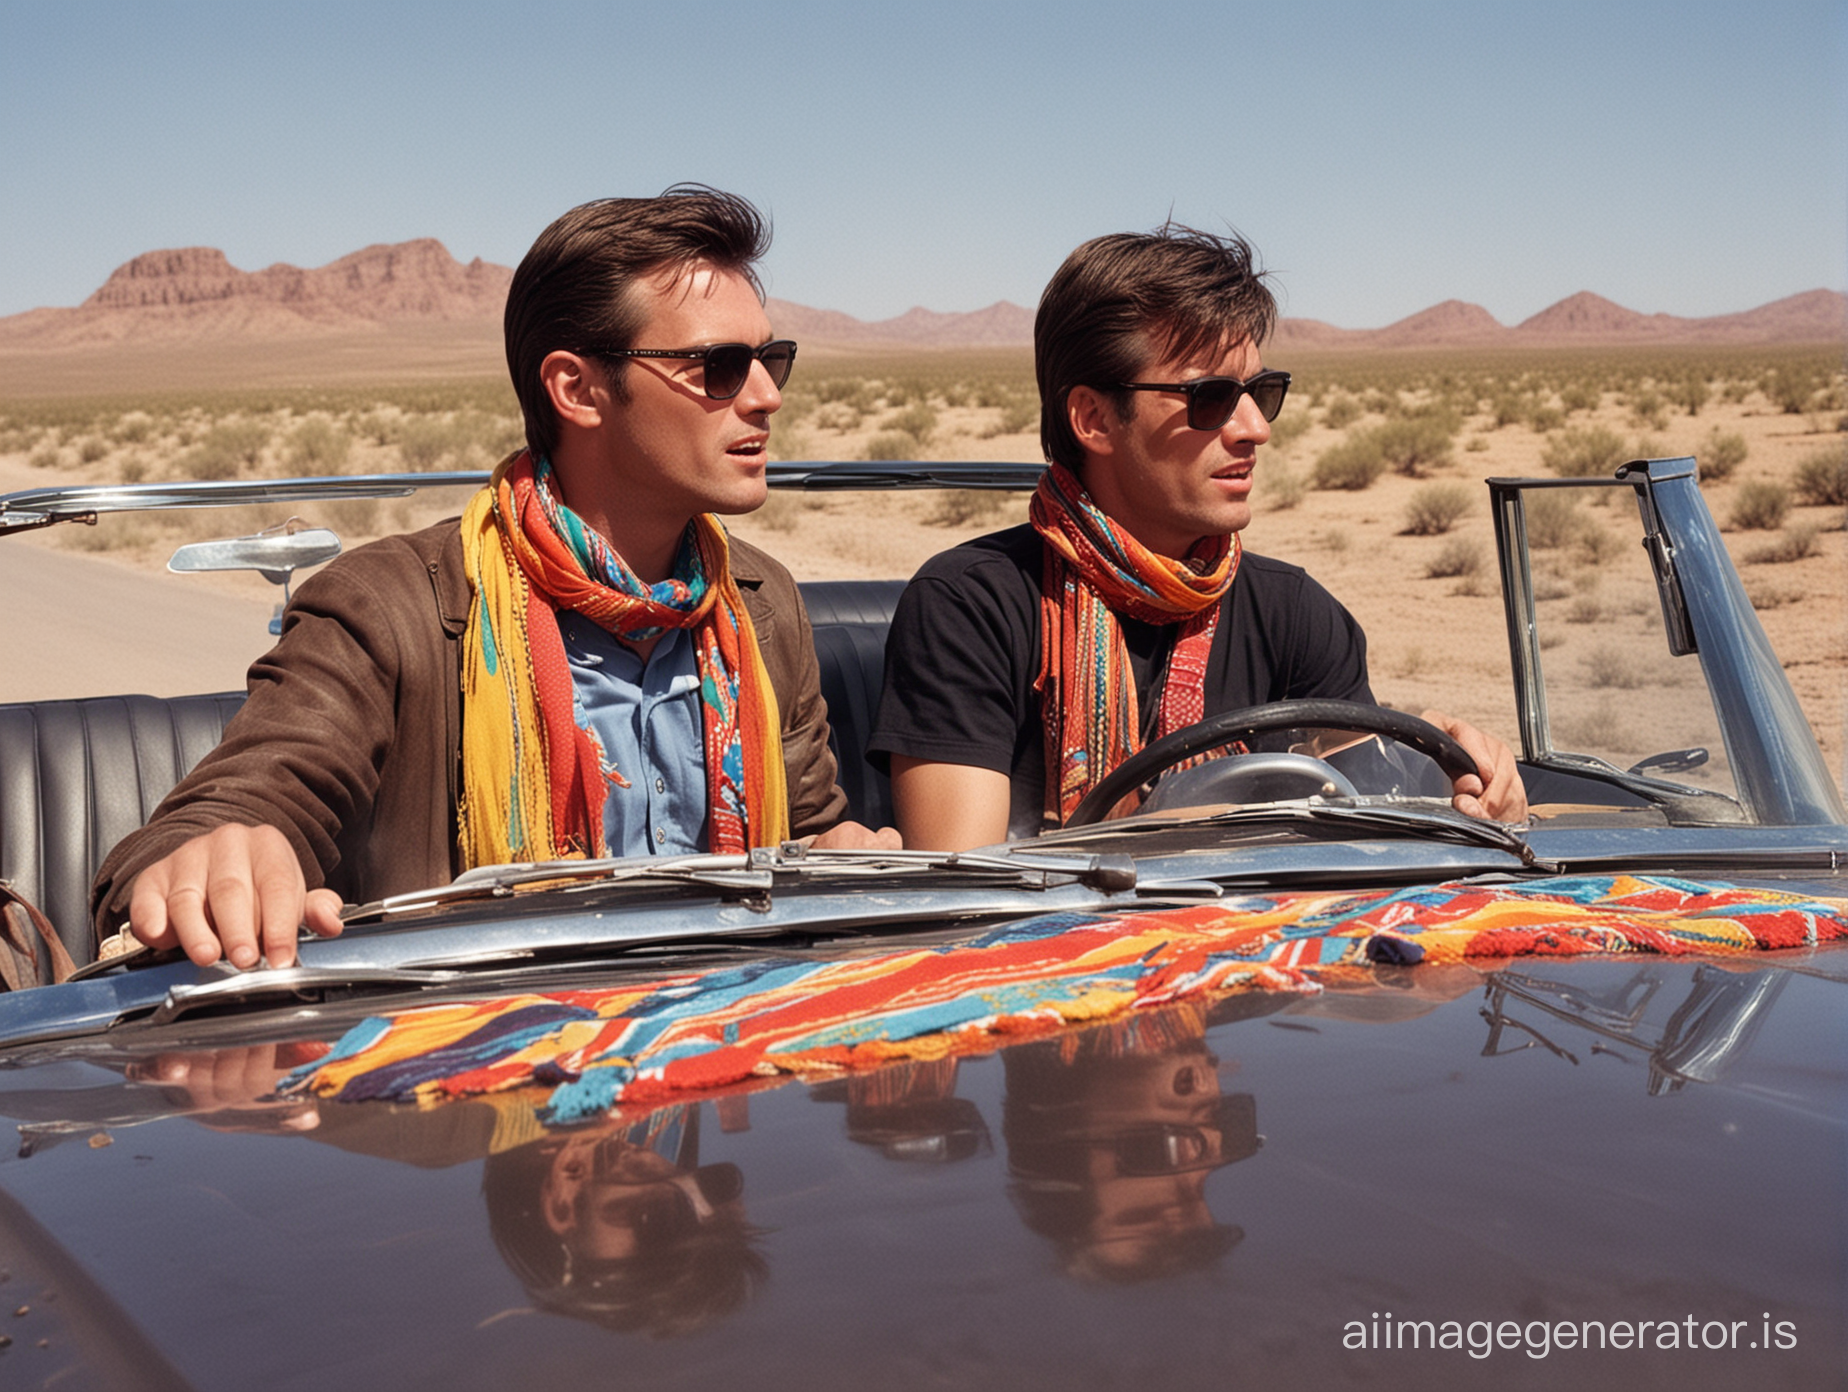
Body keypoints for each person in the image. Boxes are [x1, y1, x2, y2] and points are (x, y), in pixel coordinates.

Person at [93, 186, 896, 969]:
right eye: (720, 366)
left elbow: (806, 822)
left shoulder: (758, 603)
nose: (765, 397)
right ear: (577, 389)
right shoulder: (391, 608)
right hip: (483, 1066)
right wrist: (209, 861)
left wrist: (836, 848)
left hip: (726, 1050)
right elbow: (240, 807)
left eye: (771, 359)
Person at [869, 224, 1526, 849]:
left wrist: (1462, 784)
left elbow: (1373, 813)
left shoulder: (1295, 613)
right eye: (1210, 397)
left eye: (1262, 392)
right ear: (1094, 418)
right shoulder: (971, 606)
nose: (1253, 429)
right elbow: (964, 887)